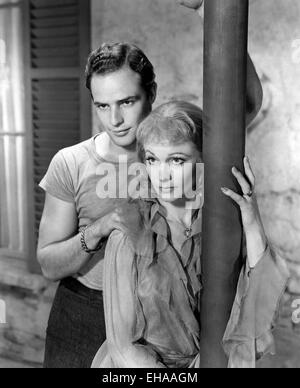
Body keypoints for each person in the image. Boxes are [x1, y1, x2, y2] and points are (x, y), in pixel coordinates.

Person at [37, 0, 263, 368]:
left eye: (127, 101)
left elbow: (244, 104)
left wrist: (209, 10)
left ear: (152, 92)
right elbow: (47, 263)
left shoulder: (174, 141)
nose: (115, 119)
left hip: (165, 311)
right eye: (102, 105)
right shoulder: (71, 162)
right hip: (84, 309)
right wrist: (98, 231)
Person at [91, 101, 289, 369]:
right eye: (152, 159)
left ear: (202, 162)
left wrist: (251, 219)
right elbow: (123, 347)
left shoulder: (222, 226)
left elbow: (261, 303)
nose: (161, 175)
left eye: (176, 160)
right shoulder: (128, 232)